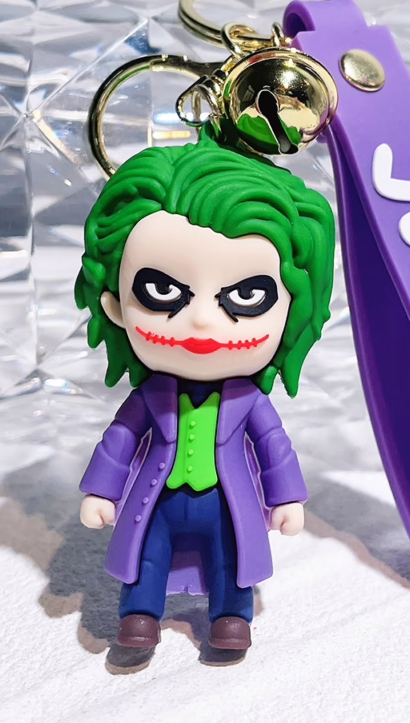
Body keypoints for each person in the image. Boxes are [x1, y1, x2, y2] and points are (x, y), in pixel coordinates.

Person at [75, 136, 335, 652]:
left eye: (246, 296)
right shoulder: (150, 395)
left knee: (231, 559)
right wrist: (102, 490)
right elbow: (119, 440)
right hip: (157, 500)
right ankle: (140, 612)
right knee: (146, 554)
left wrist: (286, 497)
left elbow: (274, 446)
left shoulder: (249, 401)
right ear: (115, 304)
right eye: (162, 292)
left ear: (291, 310)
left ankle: (231, 617)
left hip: (228, 503)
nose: (201, 321)